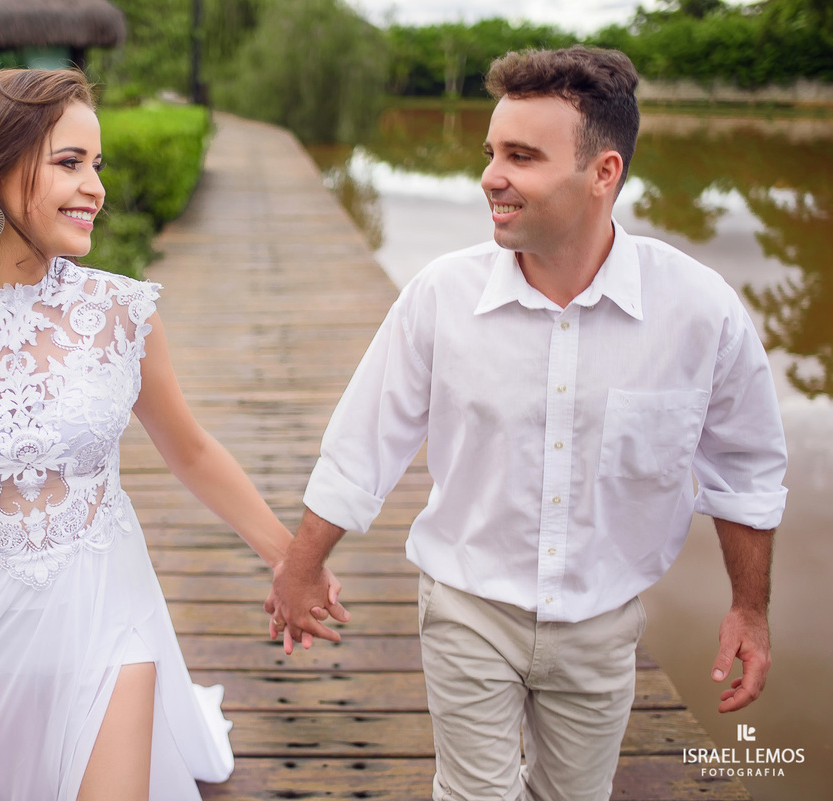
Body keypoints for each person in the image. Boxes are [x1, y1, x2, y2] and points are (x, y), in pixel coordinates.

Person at [0, 68, 345, 801]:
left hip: (107, 613)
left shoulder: (121, 311)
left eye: (97, 164)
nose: (96, 186)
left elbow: (191, 449)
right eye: (69, 163)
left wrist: (291, 559)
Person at [265, 45, 788, 801]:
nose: (490, 177)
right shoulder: (440, 296)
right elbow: (362, 444)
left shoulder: (700, 314)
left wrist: (749, 609)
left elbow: (746, 472)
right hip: (468, 604)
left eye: (521, 156)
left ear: (603, 172)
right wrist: (301, 564)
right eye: (491, 152)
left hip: (604, 621)